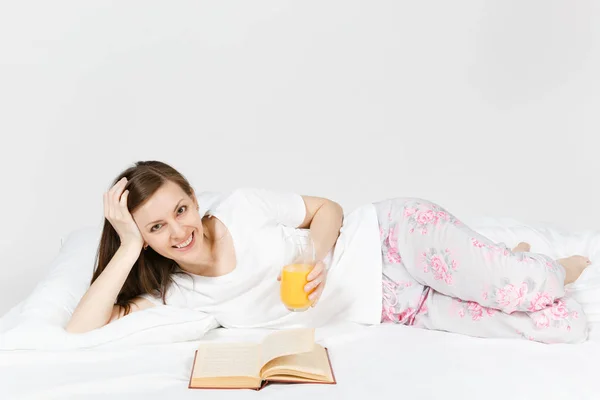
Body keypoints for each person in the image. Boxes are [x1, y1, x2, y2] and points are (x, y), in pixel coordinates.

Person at [66, 161, 591, 344]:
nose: (179, 230)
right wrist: (127, 241)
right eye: (156, 227)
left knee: (531, 287)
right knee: (560, 325)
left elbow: (328, 208)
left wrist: (318, 257)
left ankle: (548, 264)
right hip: (393, 306)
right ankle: (507, 258)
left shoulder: (243, 209)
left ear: (194, 198)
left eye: (181, 210)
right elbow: (81, 328)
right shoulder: (177, 294)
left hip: (389, 237)